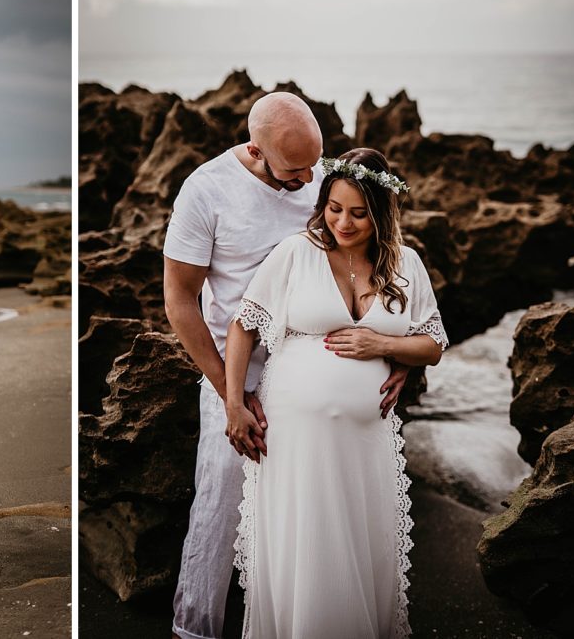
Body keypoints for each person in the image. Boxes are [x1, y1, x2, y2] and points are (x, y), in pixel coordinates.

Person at [163, 93, 410, 639]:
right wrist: (229, 396)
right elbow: (179, 302)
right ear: (256, 149)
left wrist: (399, 355)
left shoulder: (319, 178)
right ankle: (195, 629)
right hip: (238, 372)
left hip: (311, 370)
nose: (309, 180)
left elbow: (367, 260)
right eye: (295, 171)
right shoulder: (206, 191)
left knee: (308, 507)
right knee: (222, 504)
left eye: (314, 165)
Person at [225, 147, 448, 638]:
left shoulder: (405, 263)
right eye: (334, 208)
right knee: (307, 541)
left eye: (358, 212)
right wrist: (235, 402)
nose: (343, 222)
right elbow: (243, 327)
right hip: (293, 433)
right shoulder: (294, 253)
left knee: (359, 540)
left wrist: (387, 346)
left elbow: (432, 344)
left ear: (382, 211)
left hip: (365, 438)